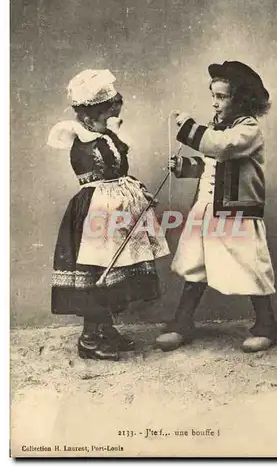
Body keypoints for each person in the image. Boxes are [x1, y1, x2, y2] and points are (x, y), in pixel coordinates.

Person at [155, 60, 277, 353]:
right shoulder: (220, 129)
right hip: (208, 208)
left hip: (236, 212)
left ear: (241, 99)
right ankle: (183, 322)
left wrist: (187, 127)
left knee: (250, 266)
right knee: (195, 266)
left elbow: (221, 147)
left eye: (222, 97)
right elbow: (212, 164)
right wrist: (185, 166)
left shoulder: (248, 130)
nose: (215, 103)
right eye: (213, 96)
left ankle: (267, 325)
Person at [48, 69, 170, 360]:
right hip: (96, 213)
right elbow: (100, 178)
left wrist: (139, 194)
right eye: (106, 114)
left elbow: (119, 174)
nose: (111, 120)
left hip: (115, 210)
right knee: (98, 272)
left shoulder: (106, 135)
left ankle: (106, 330)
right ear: (90, 114)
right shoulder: (83, 140)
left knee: (117, 274)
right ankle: (90, 338)